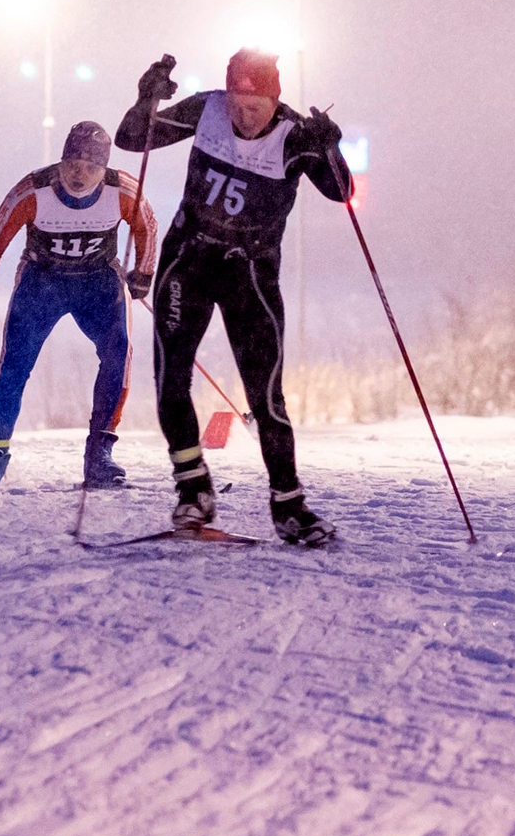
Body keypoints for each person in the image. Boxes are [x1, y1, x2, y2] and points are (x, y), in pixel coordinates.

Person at [117, 49, 349, 545]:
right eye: (238, 104)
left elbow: (342, 191)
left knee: (265, 395)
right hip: (189, 263)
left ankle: (289, 506)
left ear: (275, 100)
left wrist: (330, 147)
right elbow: (132, 138)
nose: (243, 116)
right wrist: (145, 99)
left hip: (250, 274)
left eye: (256, 107)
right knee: (170, 380)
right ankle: (193, 489)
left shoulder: (294, 136)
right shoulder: (207, 109)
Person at [0, 120, 159, 491]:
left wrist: (143, 273)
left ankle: (100, 454)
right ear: (61, 160)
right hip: (42, 282)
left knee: (119, 354)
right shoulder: (33, 191)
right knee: (15, 365)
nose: (79, 174)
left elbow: (147, 225)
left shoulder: (123, 189)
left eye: (90, 167)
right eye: (72, 163)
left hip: (97, 282)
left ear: (105, 168)